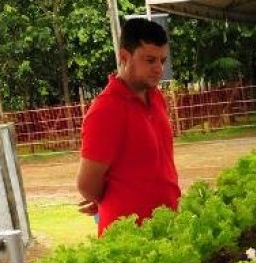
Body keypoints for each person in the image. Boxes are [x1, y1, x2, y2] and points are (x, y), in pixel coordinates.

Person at [76, 18, 180, 236]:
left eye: (162, 60)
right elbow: (87, 185)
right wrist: (111, 199)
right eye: (150, 60)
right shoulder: (106, 110)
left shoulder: (156, 97)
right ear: (124, 57)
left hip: (167, 226)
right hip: (129, 237)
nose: (158, 69)